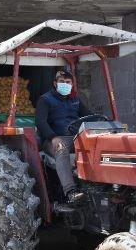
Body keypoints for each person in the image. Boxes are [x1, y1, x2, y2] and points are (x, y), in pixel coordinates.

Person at [35, 69, 93, 205]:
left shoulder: (75, 100)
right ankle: (71, 192)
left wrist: (104, 123)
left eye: (68, 82)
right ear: (55, 83)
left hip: (74, 138)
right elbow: (41, 122)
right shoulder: (45, 100)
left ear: (72, 84)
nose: (65, 84)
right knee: (61, 148)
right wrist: (53, 137)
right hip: (52, 139)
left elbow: (89, 116)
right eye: (62, 82)